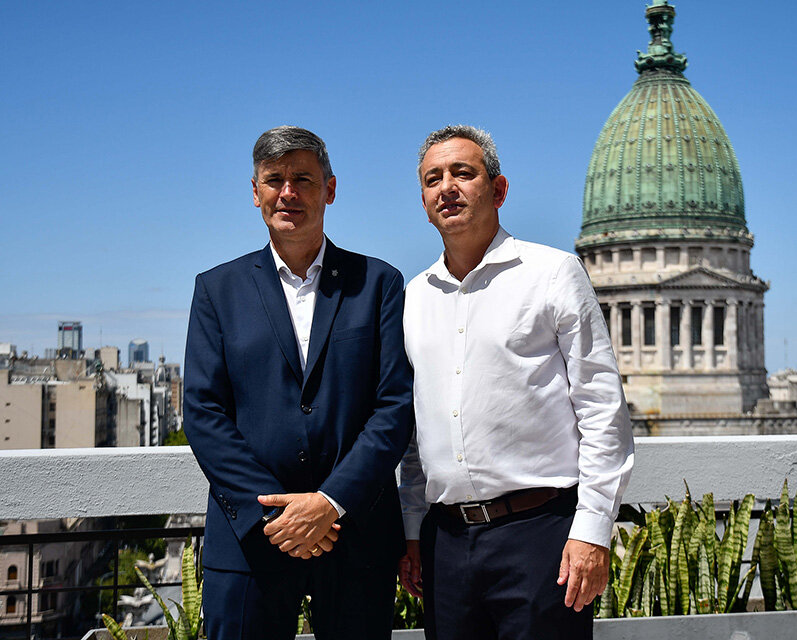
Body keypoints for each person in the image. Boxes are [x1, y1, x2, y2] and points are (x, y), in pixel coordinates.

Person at [398, 125, 635, 640]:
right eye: (433, 179)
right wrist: (413, 531)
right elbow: (416, 433)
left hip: (540, 537)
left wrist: (593, 531)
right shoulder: (414, 296)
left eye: (464, 173)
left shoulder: (553, 273)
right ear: (423, 201)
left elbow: (601, 409)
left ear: (499, 189)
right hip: (445, 541)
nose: (448, 188)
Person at [183, 125, 413, 639]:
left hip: (353, 537)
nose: (288, 193)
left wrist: (328, 503)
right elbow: (203, 412)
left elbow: (394, 406)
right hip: (249, 542)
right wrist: (276, 518)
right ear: (256, 191)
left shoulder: (378, 285)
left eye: (303, 179)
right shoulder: (217, 290)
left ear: (330, 190)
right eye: (275, 180)